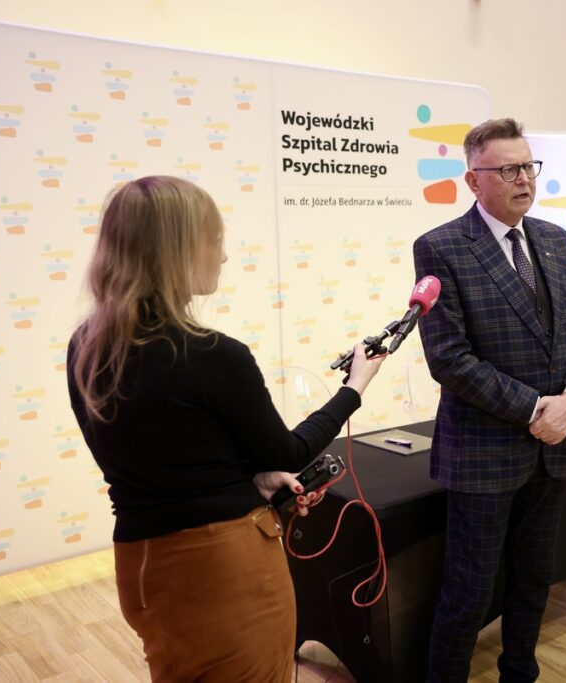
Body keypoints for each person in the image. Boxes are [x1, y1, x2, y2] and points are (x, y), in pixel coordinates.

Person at [66, 175, 385, 682]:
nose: (224, 256)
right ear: (177, 249)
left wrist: (247, 483)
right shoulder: (213, 355)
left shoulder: (87, 346)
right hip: (222, 570)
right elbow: (288, 449)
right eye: (215, 240)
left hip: (141, 564)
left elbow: (160, 457)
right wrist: (355, 388)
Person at [413, 118, 566, 682]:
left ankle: (520, 672)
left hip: (556, 444)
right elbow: (449, 358)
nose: (525, 179)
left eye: (529, 167)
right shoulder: (442, 247)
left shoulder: (553, 239)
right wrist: (534, 409)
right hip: (484, 451)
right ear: (474, 181)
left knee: (534, 577)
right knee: (469, 592)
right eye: (509, 169)